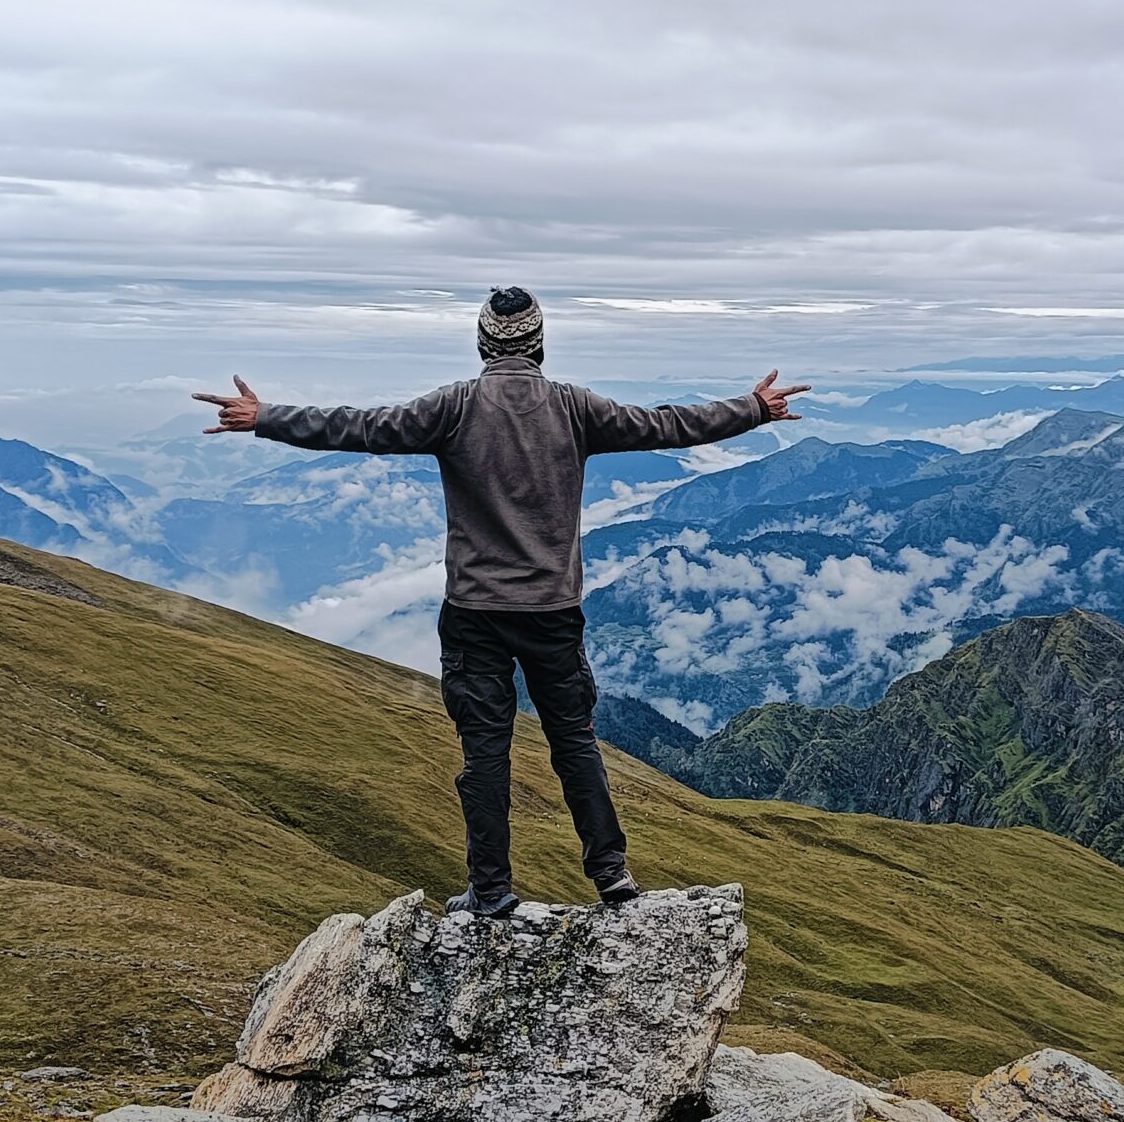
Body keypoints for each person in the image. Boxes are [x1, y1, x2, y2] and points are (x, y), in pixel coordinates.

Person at [194, 287, 807, 917]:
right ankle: (612, 874)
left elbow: (359, 427)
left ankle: (490, 891)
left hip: (475, 615)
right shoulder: (575, 407)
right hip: (552, 612)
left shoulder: (453, 407)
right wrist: (751, 410)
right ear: (539, 344)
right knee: (574, 743)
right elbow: (666, 425)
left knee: (484, 756)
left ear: (485, 345)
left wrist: (264, 417)